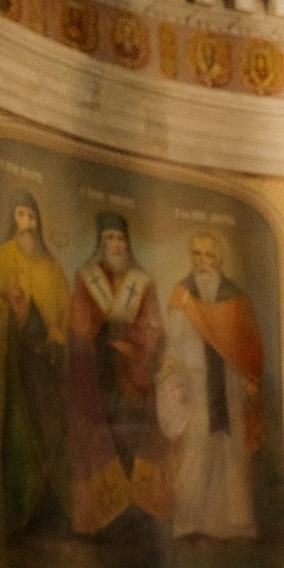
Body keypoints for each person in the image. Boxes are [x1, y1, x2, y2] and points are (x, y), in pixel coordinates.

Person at [157, 231, 264, 543]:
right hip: (195, 383)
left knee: (231, 451)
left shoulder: (235, 297)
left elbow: (246, 344)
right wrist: (169, 369)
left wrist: (250, 379)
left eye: (209, 255)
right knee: (196, 448)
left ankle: (235, 524)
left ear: (220, 260)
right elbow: (174, 342)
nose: (202, 262)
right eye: (197, 254)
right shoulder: (183, 294)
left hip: (230, 384)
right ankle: (189, 523)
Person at [66, 211, 168, 537]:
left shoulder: (142, 282)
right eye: (109, 238)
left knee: (134, 438)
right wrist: (100, 337)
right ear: (100, 243)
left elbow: (153, 327)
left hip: (133, 378)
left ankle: (139, 510)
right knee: (101, 437)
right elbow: (78, 327)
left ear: (128, 243)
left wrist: (134, 346)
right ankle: (107, 516)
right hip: (97, 376)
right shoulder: (86, 279)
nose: (115, 245)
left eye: (120, 238)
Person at [0, 192, 69, 537]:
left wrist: (57, 332)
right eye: (20, 215)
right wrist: (15, 314)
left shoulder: (51, 265)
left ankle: (53, 505)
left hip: (47, 366)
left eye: (31, 216)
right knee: (23, 431)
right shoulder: (7, 254)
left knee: (53, 430)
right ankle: (23, 509)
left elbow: (65, 311)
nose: (26, 224)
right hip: (19, 365)